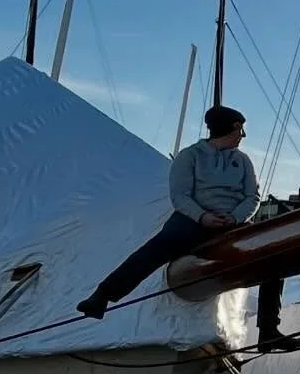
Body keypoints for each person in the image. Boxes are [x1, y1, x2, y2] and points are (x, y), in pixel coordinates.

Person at [77, 104, 260, 319]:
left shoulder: (243, 161)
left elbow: (253, 197)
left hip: (233, 222)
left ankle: (268, 328)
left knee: (271, 248)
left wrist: (236, 217)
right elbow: (180, 196)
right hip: (194, 220)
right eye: (240, 130)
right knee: (159, 246)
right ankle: (102, 296)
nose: (242, 136)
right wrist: (203, 216)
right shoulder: (190, 156)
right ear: (229, 129)